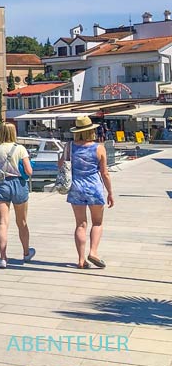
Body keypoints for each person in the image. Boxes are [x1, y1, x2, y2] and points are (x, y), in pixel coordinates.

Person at [62, 115, 114, 269]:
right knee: (97, 222)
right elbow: (105, 173)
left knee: (80, 224)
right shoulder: (99, 148)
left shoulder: (69, 146)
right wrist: (110, 192)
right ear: (91, 130)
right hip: (94, 188)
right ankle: (93, 252)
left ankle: (80, 259)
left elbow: (61, 165)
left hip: (76, 187)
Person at [0, 123, 34, 269]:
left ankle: (3, 258)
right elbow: (29, 171)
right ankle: (26, 253)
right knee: (21, 222)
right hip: (18, 184)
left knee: (2, 222)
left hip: (2, 184)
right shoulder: (20, 148)